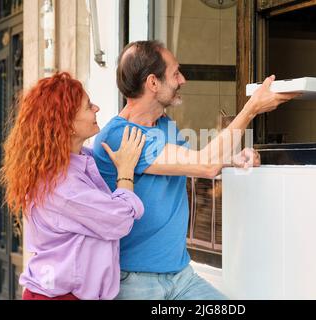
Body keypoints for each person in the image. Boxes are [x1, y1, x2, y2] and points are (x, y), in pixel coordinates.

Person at [93, 40, 298, 300]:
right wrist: (251, 109)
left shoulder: (164, 125)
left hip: (180, 276)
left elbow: (193, 163)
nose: (183, 79)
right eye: (175, 73)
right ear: (153, 83)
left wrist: (231, 160)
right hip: (136, 282)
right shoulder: (121, 136)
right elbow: (206, 165)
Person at [0, 72, 146, 300]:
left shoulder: (81, 160)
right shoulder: (60, 186)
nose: (96, 108)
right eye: (88, 106)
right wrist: (125, 173)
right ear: (66, 124)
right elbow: (119, 222)